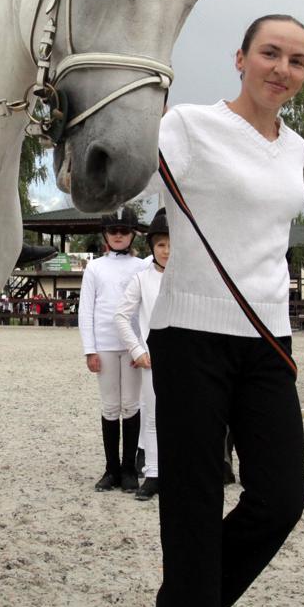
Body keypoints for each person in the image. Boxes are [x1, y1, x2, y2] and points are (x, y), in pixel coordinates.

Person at [149, 13, 304, 607]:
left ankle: (186, 603)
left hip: (266, 338)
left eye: (298, 60)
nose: (282, 68)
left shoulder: (298, 148)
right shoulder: (186, 126)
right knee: (192, 502)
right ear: (240, 57)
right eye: (271, 53)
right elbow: (116, 163)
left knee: (281, 496)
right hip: (189, 332)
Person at [80, 206, 148, 491]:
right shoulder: (94, 268)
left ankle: (130, 468)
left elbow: (147, 309)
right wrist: (89, 349)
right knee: (110, 406)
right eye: (113, 231)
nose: (118, 236)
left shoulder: (143, 266)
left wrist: (141, 347)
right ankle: (111, 469)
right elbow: (86, 310)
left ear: (132, 234)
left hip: (132, 346)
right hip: (105, 345)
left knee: (131, 405)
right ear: (105, 235)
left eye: (124, 231)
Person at [114, 208, 171, 500]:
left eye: (172, 244)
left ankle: (182, 472)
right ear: (152, 246)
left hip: (188, 360)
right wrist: (137, 349)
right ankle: (154, 473)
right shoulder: (141, 279)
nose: (166, 250)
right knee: (152, 418)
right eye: (161, 244)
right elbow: (122, 317)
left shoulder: (189, 277)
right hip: (153, 359)